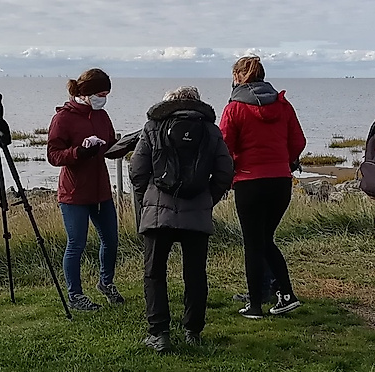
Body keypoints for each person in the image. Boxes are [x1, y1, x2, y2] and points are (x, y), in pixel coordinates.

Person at [130, 86, 234, 352]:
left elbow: (137, 169)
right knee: (195, 274)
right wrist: (208, 199)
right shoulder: (210, 130)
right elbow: (225, 171)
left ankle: (159, 333)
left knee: (154, 273)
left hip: (157, 211)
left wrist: (145, 200)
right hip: (197, 211)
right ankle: (193, 331)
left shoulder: (153, 126)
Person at [219, 55, 306, 319]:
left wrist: (233, 166)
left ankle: (255, 304)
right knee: (265, 240)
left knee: (254, 244)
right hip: (280, 181)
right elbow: (298, 141)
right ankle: (286, 295)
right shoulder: (282, 105)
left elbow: (224, 145)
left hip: (249, 181)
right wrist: (283, 161)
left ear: (237, 77)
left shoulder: (234, 108)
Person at [47, 68, 123, 311]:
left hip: (100, 190)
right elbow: (53, 155)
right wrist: (79, 152)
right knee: (76, 244)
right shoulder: (63, 118)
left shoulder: (102, 115)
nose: (104, 98)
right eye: (101, 93)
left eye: (107, 94)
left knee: (110, 240)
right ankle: (75, 295)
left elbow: (109, 146)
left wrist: (123, 146)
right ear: (87, 93)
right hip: (74, 193)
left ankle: (106, 282)